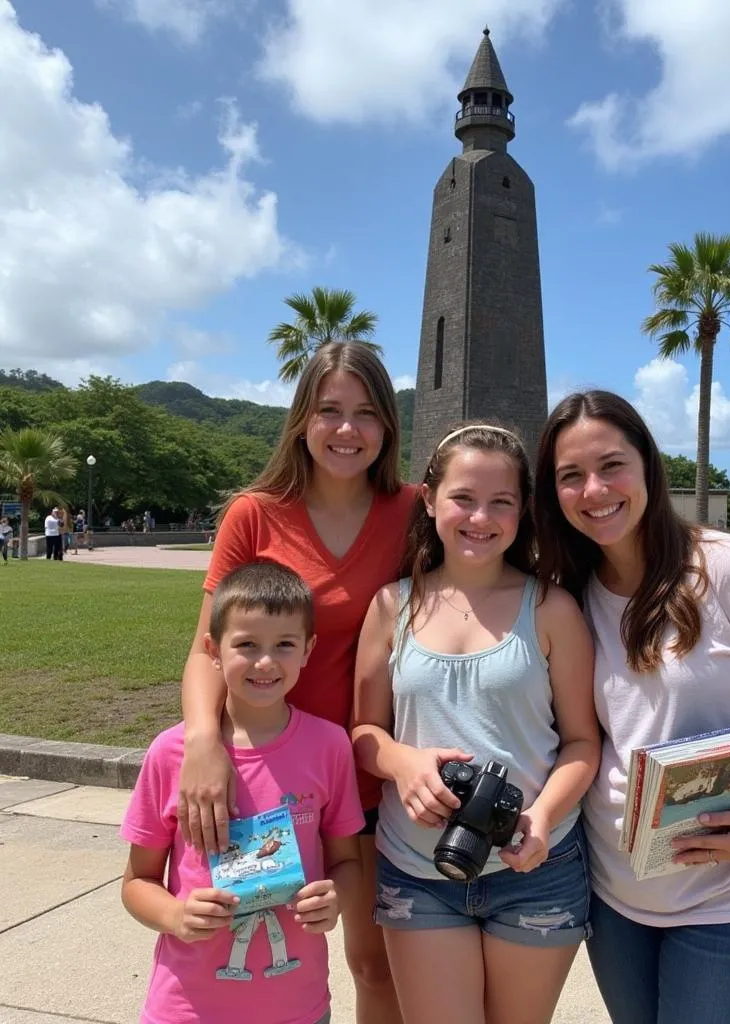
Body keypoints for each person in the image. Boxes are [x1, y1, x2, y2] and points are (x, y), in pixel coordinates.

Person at [533, 391, 730, 1024]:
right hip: (617, 899)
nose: (595, 489)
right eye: (571, 476)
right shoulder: (570, 596)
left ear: (648, 465)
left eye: (612, 465)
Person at [176, 342, 417, 1024]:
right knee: (247, 952)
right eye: (330, 411)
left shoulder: (414, 511)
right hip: (268, 777)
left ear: (388, 427)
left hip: (369, 772)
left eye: (366, 413)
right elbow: (204, 650)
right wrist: (203, 742)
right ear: (302, 420)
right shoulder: (255, 513)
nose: (347, 430)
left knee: (374, 963)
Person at [351, 423, 600, 1024]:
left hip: (538, 867)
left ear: (523, 513)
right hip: (417, 870)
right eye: (463, 497)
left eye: (502, 502)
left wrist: (541, 817)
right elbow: (363, 733)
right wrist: (401, 762)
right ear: (431, 499)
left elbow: (583, 742)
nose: (480, 517)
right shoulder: (392, 606)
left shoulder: (551, 607)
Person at [120, 561, 365, 1024]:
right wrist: (175, 917)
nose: (266, 662)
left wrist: (336, 899)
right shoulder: (171, 754)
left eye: (284, 645)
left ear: (308, 650)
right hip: (186, 1008)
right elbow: (137, 883)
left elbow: (347, 862)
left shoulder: (330, 747)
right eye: (246, 644)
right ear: (212, 649)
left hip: (298, 1007)